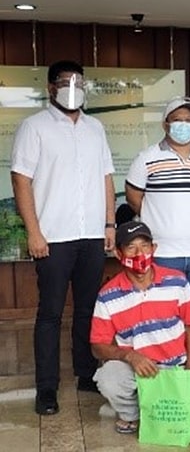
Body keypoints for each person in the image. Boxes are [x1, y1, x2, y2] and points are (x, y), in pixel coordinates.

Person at [10, 60, 116, 415]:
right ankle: (47, 388)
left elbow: (106, 177)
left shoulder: (95, 128)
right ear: (51, 87)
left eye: (80, 81)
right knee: (50, 313)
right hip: (53, 236)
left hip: (91, 236)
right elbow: (21, 180)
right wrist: (34, 232)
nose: (74, 87)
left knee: (88, 310)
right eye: (67, 81)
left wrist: (110, 224)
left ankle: (86, 374)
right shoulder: (34, 127)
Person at [125, 96, 190, 384]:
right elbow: (134, 197)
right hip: (163, 251)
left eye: (189, 120)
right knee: (163, 311)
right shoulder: (147, 158)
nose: (183, 124)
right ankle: (164, 362)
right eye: (177, 119)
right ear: (165, 124)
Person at [90, 221, 190, 434]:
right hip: (136, 368)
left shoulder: (177, 281)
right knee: (108, 378)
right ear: (119, 254)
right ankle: (132, 413)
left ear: (154, 249)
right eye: (131, 247)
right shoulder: (108, 295)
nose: (140, 253)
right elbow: (98, 345)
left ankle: (152, 407)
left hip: (176, 368)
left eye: (145, 245)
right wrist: (131, 356)